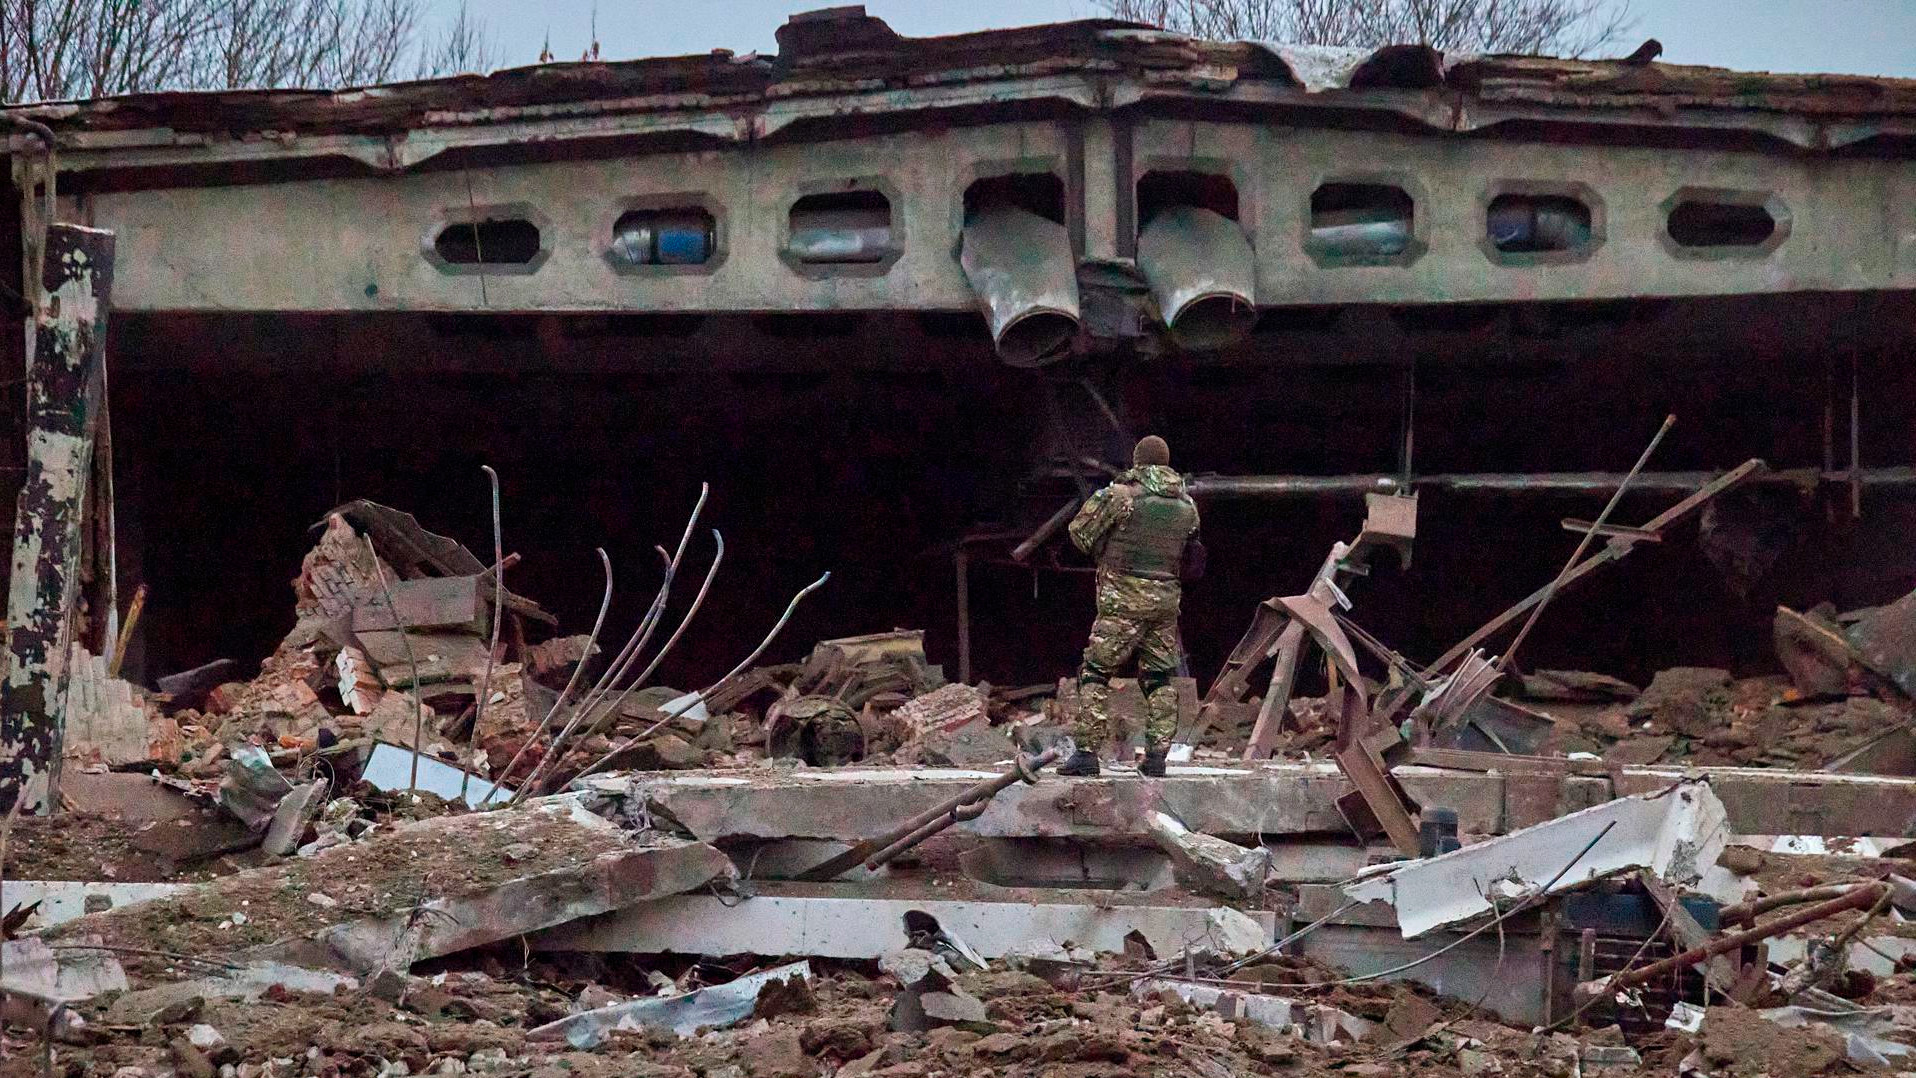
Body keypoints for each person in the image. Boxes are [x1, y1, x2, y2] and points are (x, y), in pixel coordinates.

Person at [1058, 435, 1202, 778]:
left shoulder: (1120, 497)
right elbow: (1190, 548)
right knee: (1159, 677)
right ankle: (1156, 758)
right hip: (1165, 600)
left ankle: (1086, 754)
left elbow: (1079, 533)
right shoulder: (1187, 504)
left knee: (1095, 672)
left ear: (1138, 461)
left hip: (1122, 598)